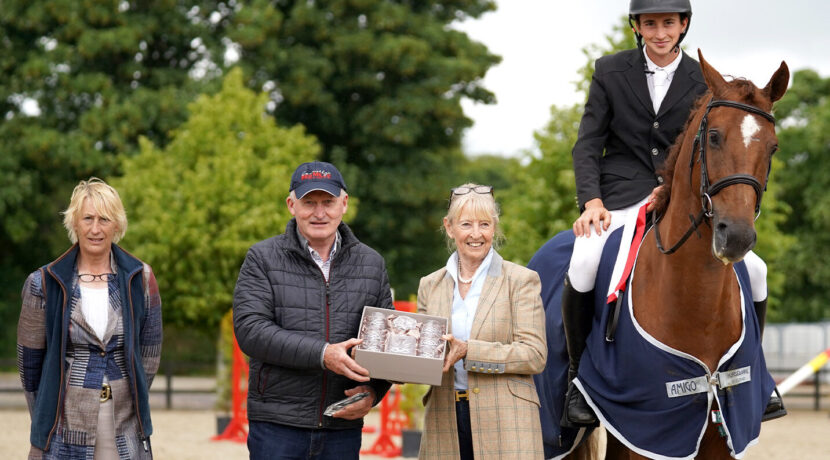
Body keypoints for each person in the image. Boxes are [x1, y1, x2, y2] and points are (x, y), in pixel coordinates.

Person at [561, 0, 779, 427]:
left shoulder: (705, 79)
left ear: (683, 25)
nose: (659, 32)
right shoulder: (609, 70)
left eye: (668, 23)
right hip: (620, 196)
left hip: (682, 197)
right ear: (637, 27)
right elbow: (588, 143)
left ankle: (756, 377)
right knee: (584, 261)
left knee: (756, 272)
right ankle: (578, 379)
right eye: (650, 24)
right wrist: (591, 201)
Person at [233, 161, 394, 460]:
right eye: (309, 202)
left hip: (341, 427)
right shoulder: (262, 258)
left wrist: (373, 393)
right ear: (291, 205)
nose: (319, 213)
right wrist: (323, 354)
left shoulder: (372, 263)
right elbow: (250, 330)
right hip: (278, 426)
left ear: (344, 204)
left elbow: (385, 342)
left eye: (328, 202)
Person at [17, 178, 163, 459]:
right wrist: (47, 415)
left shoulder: (140, 279)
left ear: (117, 225)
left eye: (105, 219)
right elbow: (30, 366)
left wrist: (128, 393)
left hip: (124, 422)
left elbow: (150, 355)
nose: (95, 229)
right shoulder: (44, 283)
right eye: (87, 218)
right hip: (63, 423)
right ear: (74, 223)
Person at [417, 184, 547, 459]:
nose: (476, 234)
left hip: (508, 423)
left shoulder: (521, 280)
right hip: (444, 420)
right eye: (466, 224)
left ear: (494, 228)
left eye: (484, 224)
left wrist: (469, 351)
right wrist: (390, 360)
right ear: (449, 227)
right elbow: (423, 353)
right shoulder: (429, 285)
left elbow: (534, 355)